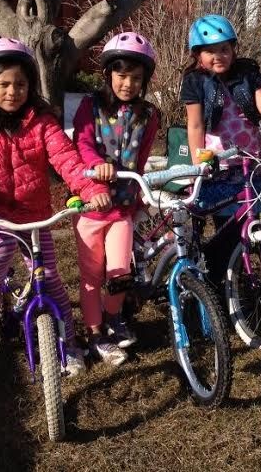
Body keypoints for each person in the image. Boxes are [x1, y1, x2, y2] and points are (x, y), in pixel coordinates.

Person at [0, 37, 111, 377]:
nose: (12, 91)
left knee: (51, 280)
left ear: (31, 86)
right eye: (3, 84)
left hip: (35, 216)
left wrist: (90, 187)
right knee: (2, 244)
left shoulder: (42, 121)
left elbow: (66, 158)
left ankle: (70, 346)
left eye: (20, 84)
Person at [180, 14, 261, 287]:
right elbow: (195, 124)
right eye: (210, 51)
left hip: (249, 163)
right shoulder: (196, 82)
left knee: (248, 222)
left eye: (224, 49)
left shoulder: (247, 74)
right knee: (224, 227)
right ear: (198, 54)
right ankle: (215, 278)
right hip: (215, 165)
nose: (218, 55)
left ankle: (237, 272)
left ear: (234, 48)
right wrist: (199, 163)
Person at [72, 32, 160, 367]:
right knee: (92, 276)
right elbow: (81, 144)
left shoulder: (148, 115)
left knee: (120, 272)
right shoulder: (89, 106)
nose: (128, 84)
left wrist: (138, 199)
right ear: (109, 74)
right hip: (91, 209)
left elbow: (141, 161)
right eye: (121, 76)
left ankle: (113, 318)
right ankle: (95, 334)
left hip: (122, 208)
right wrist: (96, 166)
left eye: (136, 78)